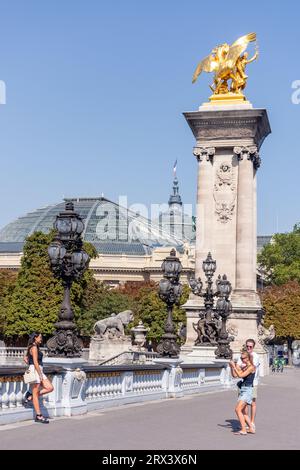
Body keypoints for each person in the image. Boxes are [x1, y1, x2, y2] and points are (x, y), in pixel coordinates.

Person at [23, 332, 54, 424]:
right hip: (36, 370)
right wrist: (40, 374)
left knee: (50, 388)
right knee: (36, 392)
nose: (41, 339)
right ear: (35, 338)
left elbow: (27, 359)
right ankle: (39, 416)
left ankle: (30, 396)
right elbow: (35, 362)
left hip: (38, 369)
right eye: (40, 337)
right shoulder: (34, 347)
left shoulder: (34, 347)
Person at [229, 351, 256, 435]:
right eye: (241, 358)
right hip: (243, 389)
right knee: (243, 412)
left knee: (237, 410)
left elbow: (241, 376)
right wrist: (232, 367)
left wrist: (234, 366)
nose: (242, 359)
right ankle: (251, 428)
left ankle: (244, 430)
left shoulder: (251, 367)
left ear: (248, 358)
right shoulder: (244, 367)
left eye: (243, 358)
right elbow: (235, 375)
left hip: (247, 390)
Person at [237, 338, 260, 431]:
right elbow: (239, 365)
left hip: (253, 382)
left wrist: (241, 367)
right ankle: (247, 423)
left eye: (250, 346)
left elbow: (249, 368)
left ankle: (252, 422)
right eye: (247, 346)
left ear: (253, 347)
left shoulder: (255, 356)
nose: (249, 348)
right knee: (244, 404)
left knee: (253, 403)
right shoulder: (243, 355)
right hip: (243, 383)